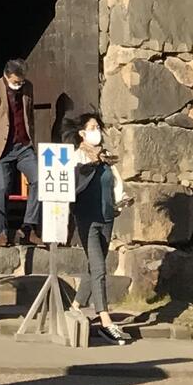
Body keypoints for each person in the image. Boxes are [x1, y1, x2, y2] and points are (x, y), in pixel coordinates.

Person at [70, 112, 126, 345]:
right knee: (100, 268)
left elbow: (115, 182)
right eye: (92, 127)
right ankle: (104, 318)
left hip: (107, 217)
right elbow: (75, 183)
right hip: (87, 219)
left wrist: (121, 198)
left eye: (98, 127)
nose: (97, 131)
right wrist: (89, 165)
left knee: (95, 268)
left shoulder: (106, 159)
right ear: (82, 133)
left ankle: (74, 306)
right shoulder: (77, 158)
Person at [0, 58, 40, 248]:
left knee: (39, 179)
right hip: (1, 149)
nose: (19, 85)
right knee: (2, 188)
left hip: (23, 146)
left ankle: (28, 227)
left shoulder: (27, 87)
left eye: (21, 82)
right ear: (7, 75)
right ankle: (1, 232)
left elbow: (29, 116)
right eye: (16, 81)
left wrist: (32, 140)